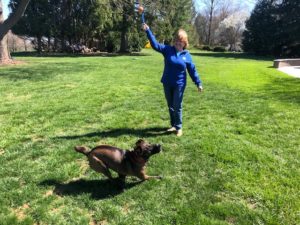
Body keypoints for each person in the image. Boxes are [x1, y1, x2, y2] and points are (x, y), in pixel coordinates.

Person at [142, 24, 203, 137]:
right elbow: (155, 45)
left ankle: (179, 127)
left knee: (177, 105)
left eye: (180, 40)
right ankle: (173, 125)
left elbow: (192, 71)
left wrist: (198, 83)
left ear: (184, 43)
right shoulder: (168, 50)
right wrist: (148, 31)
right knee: (170, 105)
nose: (177, 42)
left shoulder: (187, 56)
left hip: (179, 85)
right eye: (176, 40)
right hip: (167, 83)